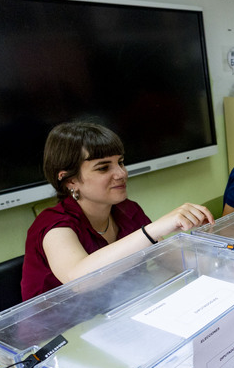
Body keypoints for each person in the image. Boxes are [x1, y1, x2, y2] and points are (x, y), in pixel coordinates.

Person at [21, 121, 213, 300]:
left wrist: (226, 264)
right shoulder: (53, 225)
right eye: (103, 168)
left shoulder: (127, 210)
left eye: (120, 162)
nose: (121, 174)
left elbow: (167, 258)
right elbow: (78, 281)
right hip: (60, 331)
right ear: (70, 180)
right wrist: (154, 229)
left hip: (118, 311)